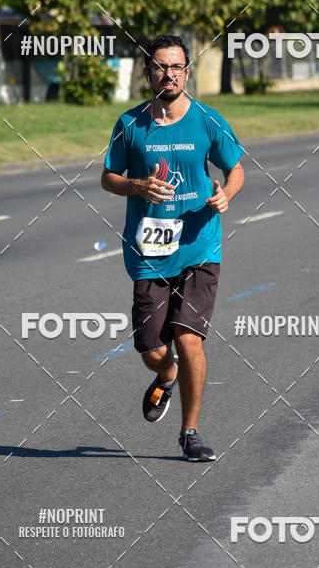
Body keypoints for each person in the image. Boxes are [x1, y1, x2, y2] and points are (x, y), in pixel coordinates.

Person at [101, 35, 245, 462]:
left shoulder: (207, 120)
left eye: (176, 67)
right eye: (161, 67)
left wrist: (226, 195)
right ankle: (166, 375)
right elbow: (109, 177)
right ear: (148, 73)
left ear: (187, 71)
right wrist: (136, 185)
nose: (169, 74)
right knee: (152, 349)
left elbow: (236, 169)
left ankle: (190, 432)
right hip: (150, 251)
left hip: (200, 244)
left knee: (188, 339)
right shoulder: (130, 124)